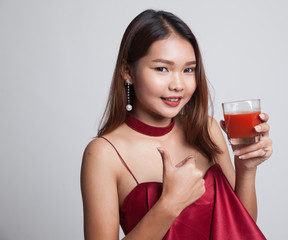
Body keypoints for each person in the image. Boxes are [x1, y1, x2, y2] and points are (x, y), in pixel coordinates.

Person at [81, 9, 273, 240]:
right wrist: (170, 204)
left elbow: (241, 227)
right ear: (127, 72)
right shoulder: (103, 154)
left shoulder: (207, 129)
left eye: (188, 69)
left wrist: (246, 168)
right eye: (162, 68)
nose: (178, 85)